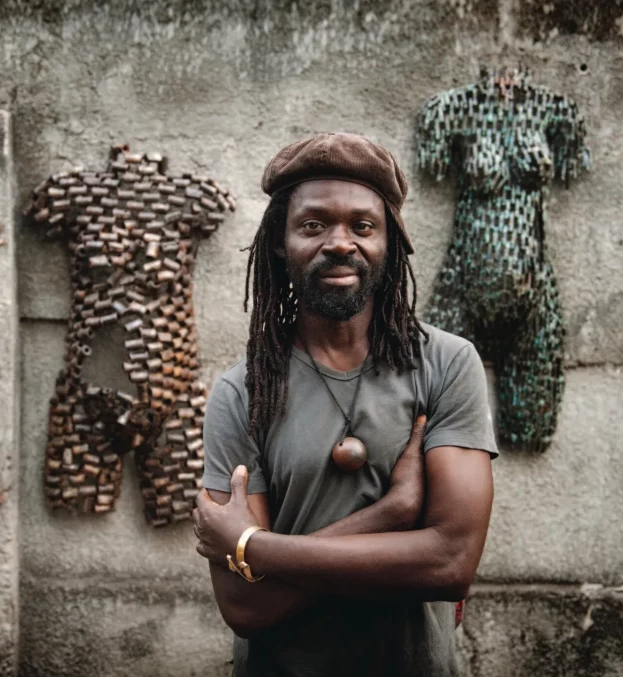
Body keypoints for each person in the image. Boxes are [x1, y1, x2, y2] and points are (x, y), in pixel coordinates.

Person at [193, 132, 497, 677]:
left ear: (391, 242)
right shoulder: (243, 392)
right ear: (281, 242)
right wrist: (391, 515)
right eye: (314, 225)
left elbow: (452, 562)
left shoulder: (447, 364)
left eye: (363, 225)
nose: (340, 242)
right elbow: (245, 606)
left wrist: (251, 547)